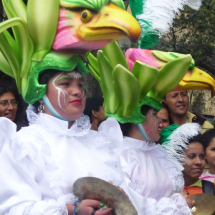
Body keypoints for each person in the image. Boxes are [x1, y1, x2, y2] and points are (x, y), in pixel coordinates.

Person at [0, 69, 126, 215]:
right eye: (65, 83)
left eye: (81, 85)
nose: (77, 91)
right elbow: (14, 209)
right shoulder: (24, 143)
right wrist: (72, 210)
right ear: (39, 93)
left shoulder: (98, 142)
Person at [88, 44, 196, 214]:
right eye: (154, 114)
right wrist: (177, 204)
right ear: (137, 117)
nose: (160, 121)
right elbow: (131, 206)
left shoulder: (157, 152)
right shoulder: (119, 155)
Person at [160, 123, 205, 195]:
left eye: (202, 157)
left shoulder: (210, 188)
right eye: (192, 156)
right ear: (176, 158)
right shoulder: (163, 190)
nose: (199, 162)